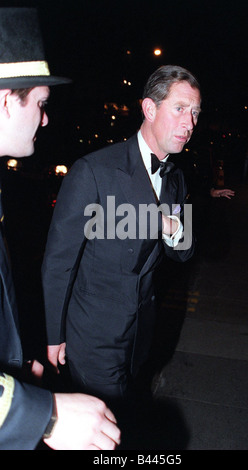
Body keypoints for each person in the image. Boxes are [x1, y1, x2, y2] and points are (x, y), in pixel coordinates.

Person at [42, 65, 201, 407]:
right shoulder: (94, 171)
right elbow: (59, 262)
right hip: (93, 336)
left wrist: (173, 229)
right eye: (180, 109)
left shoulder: (176, 179)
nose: (190, 124)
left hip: (141, 334)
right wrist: (53, 336)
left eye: (195, 113)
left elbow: (184, 252)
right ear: (149, 108)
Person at [0, 8, 120, 450]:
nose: (46, 119)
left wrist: (12, 368)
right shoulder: (92, 171)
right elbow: (59, 260)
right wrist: (44, 417)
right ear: (5, 99)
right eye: (41, 104)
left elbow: (181, 245)